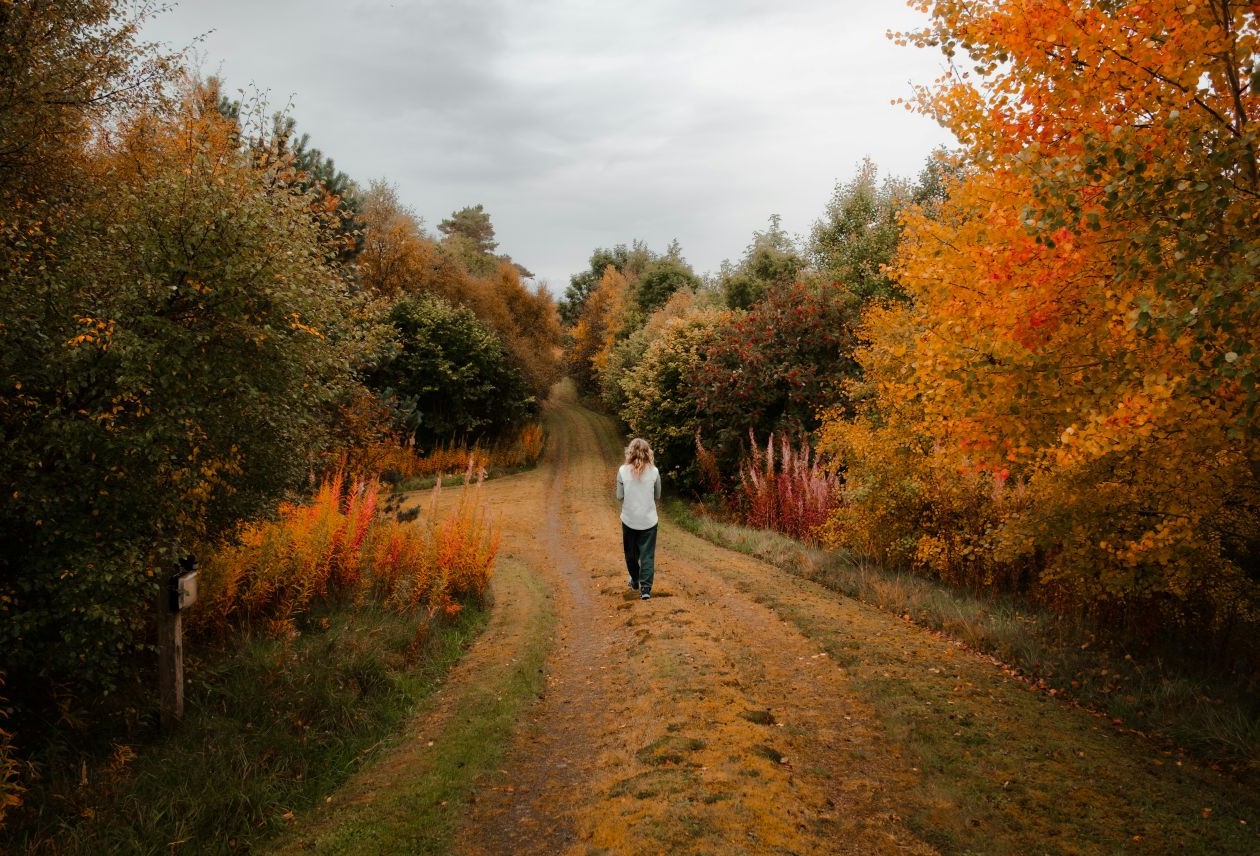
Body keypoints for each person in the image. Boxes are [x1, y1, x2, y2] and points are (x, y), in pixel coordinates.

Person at [616, 437, 661, 600]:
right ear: (648, 452)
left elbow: (619, 496)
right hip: (649, 520)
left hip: (629, 519)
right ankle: (646, 589)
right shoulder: (655, 472)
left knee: (631, 554)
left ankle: (635, 580)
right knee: (647, 555)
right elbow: (658, 495)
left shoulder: (622, 471)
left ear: (630, 451)